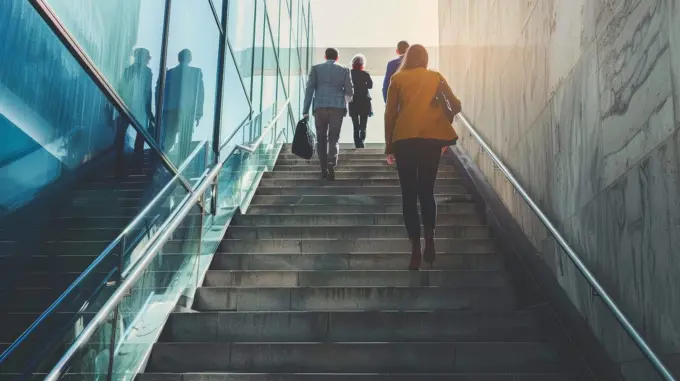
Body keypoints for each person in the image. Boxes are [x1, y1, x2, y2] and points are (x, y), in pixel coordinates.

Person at [384, 44, 460, 271]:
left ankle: (415, 249)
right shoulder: (435, 77)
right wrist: (441, 126)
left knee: (409, 193)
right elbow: (455, 105)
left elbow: (390, 114)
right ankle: (430, 239)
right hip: (431, 139)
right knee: (426, 190)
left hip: (405, 139)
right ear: (425, 59)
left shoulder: (397, 80)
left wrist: (389, 146)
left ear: (407, 58)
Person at [302, 47, 354, 180]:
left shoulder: (316, 69)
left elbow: (309, 90)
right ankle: (331, 162)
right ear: (337, 58)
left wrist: (305, 110)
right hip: (337, 107)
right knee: (334, 137)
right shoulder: (344, 70)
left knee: (321, 138)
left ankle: (323, 168)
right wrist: (345, 100)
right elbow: (349, 91)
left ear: (325, 57)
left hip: (320, 107)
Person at [159, 49, 204, 165]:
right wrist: (198, 113)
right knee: (185, 139)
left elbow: (162, 91)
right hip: (187, 111)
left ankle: (162, 161)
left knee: (169, 138)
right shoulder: (196, 72)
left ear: (179, 58)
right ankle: (181, 165)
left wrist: (161, 111)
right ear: (190, 59)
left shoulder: (170, 72)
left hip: (170, 110)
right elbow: (200, 94)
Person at [114, 48, 154, 169]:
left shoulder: (128, 69)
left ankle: (118, 155)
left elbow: (121, 87)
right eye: (147, 57)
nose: (148, 60)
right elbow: (148, 91)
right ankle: (137, 157)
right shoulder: (147, 71)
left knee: (122, 129)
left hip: (127, 104)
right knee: (140, 131)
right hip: (140, 105)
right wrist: (148, 110)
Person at [348, 54, 373, 148]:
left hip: (353, 101)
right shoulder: (365, 74)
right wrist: (363, 86)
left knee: (355, 125)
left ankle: (357, 144)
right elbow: (370, 86)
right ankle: (362, 141)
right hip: (364, 101)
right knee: (363, 124)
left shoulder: (349, 74)